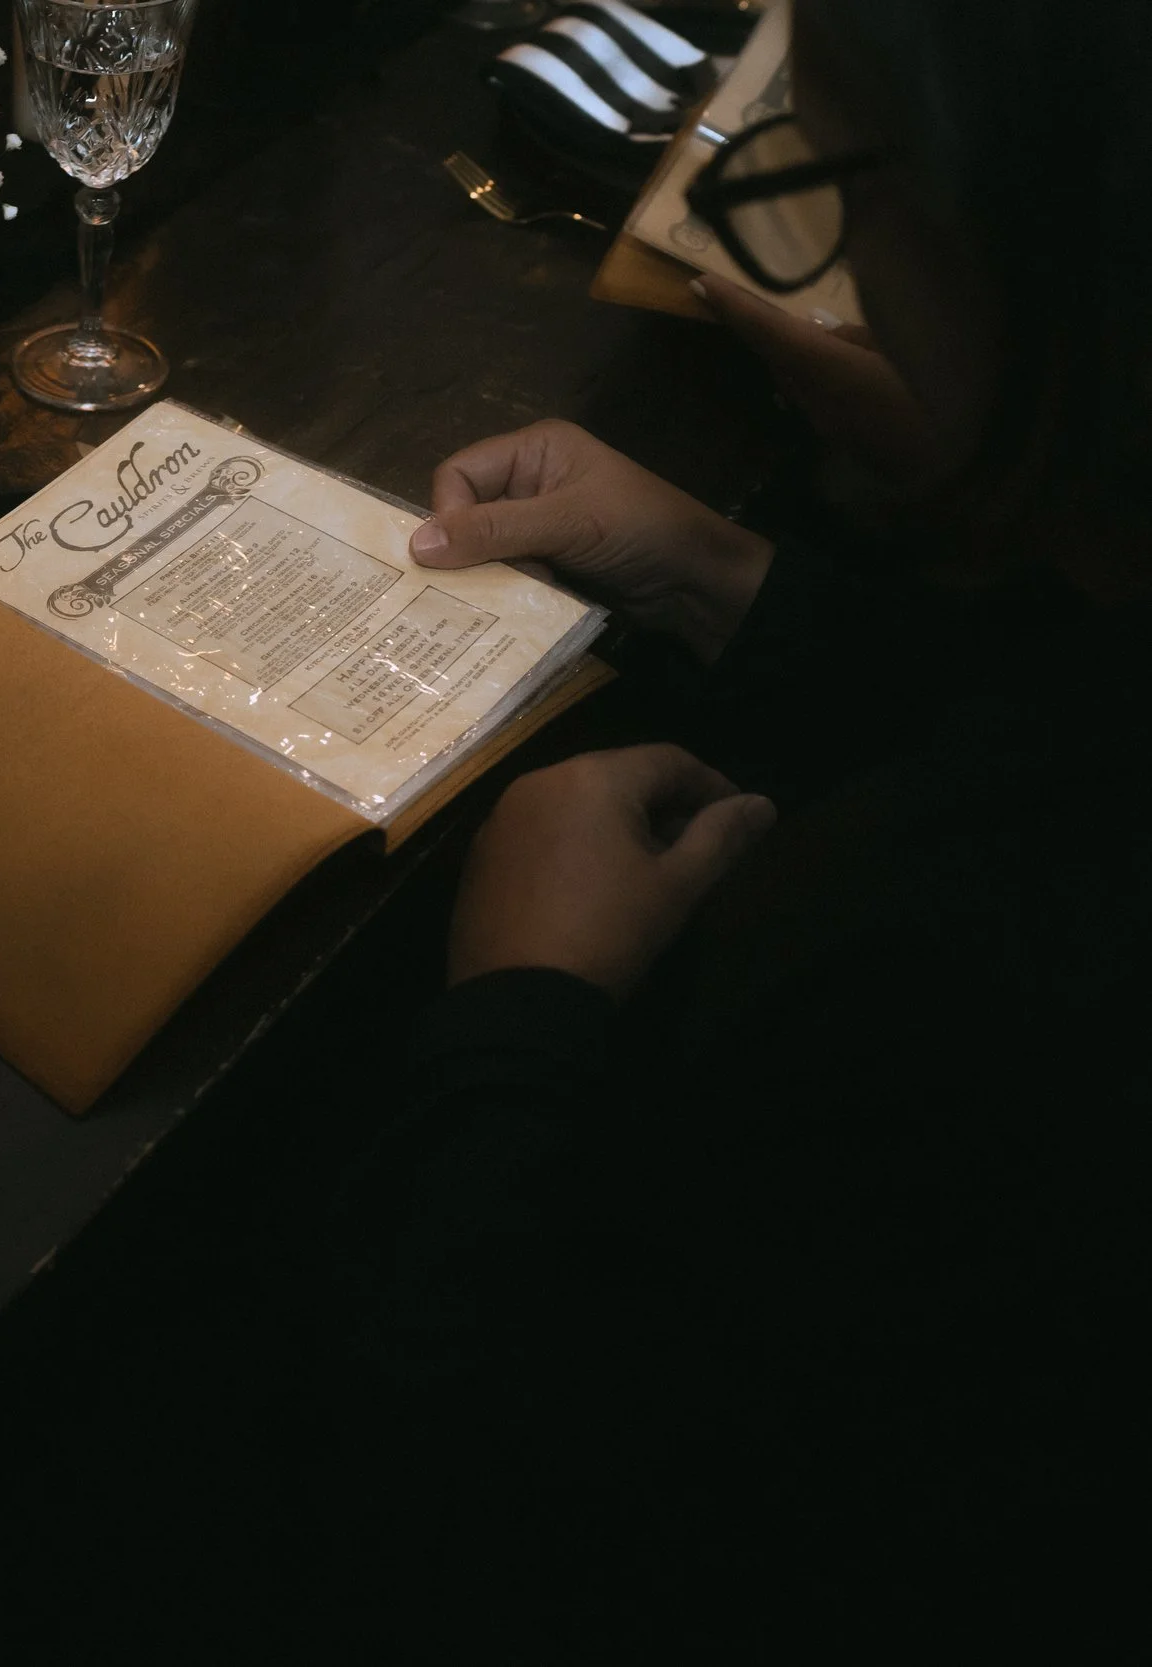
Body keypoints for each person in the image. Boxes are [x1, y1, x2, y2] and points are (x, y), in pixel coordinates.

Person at [327, 0, 1146, 1657]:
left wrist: (521, 1012)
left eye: (840, 184)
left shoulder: (966, 988)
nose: (811, 262)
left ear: (1052, 260)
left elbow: (505, 1523)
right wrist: (731, 578)